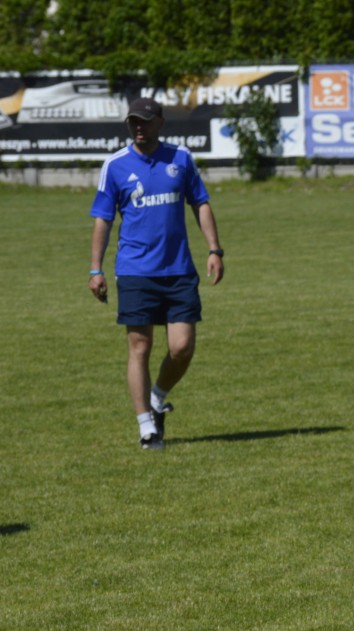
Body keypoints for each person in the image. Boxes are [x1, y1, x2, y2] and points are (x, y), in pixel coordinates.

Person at [88, 96, 225, 450]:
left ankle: (156, 396)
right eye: (133, 121)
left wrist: (214, 249)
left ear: (160, 123)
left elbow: (200, 203)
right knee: (140, 346)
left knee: (182, 347)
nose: (138, 127)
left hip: (179, 270)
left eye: (145, 121)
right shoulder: (115, 165)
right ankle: (146, 427)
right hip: (135, 271)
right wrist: (95, 269)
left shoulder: (181, 158)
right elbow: (103, 219)